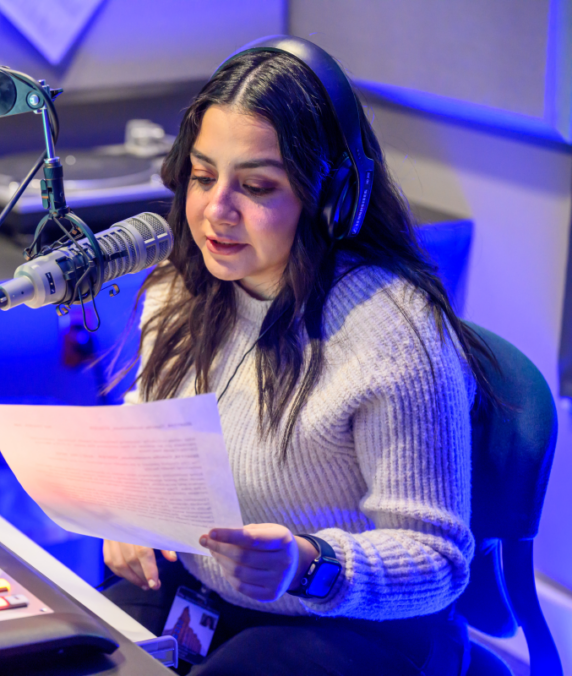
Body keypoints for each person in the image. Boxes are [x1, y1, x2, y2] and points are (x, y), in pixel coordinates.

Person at [102, 37, 497, 675]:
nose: (215, 211)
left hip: (354, 622)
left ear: (329, 199)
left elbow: (438, 561)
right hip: (205, 600)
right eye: (203, 176)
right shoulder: (180, 287)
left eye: (256, 186)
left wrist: (309, 564)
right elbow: (150, 425)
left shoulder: (395, 334)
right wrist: (126, 510)